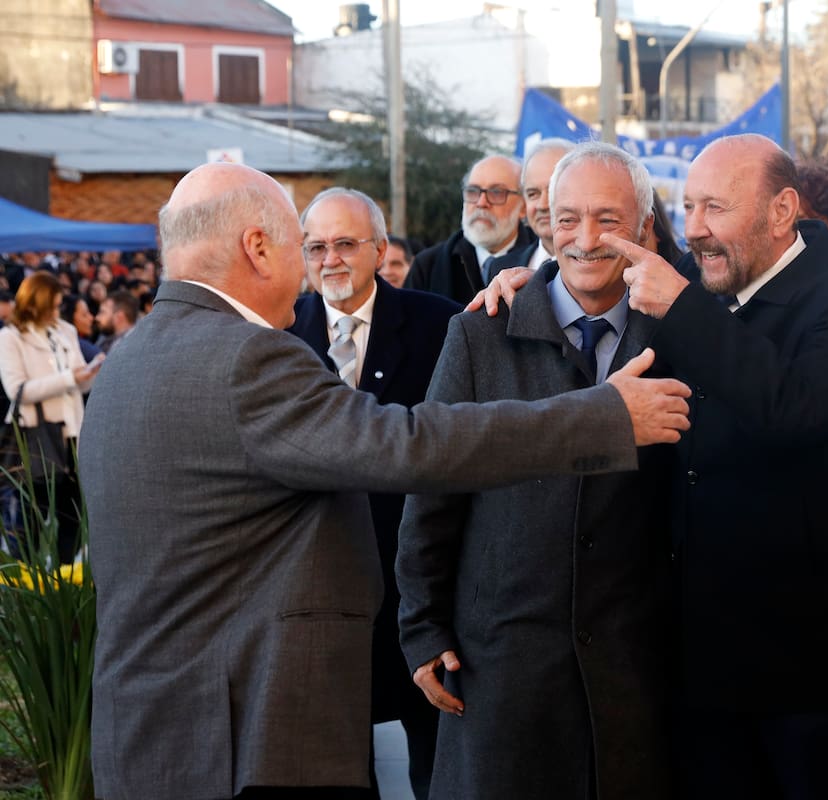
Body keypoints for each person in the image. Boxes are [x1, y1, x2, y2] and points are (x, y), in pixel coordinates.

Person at [78, 161, 691, 800]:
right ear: (257, 248)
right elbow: (408, 448)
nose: (312, 271)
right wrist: (603, 417)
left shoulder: (127, 361)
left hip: (153, 737)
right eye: (302, 247)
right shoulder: (246, 359)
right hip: (242, 739)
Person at [609, 133, 828, 798]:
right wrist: (519, 284)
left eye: (715, 207)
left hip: (810, 665)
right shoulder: (702, 273)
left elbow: (792, 408)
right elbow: (588, 282)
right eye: (687, 206)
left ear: (781, 210)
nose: (694, 229)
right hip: (703, 656)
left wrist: (683, 309)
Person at [397, 141, 676, 800]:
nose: (585, 238)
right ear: (543, 221)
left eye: (608, 219)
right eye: (567, 217)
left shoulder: (680, 336)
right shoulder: (480, 334)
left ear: (643, 227)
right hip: (502, 671)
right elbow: (434, 485)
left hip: (635, 673)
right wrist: (422, 627)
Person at [286, 187, 462, 800]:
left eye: (345, 244)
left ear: (381, 249)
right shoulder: (278, 332)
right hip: (318, 592)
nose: (330, 259)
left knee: (436, 764)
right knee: (335, 765)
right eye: (316, 247)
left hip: (418, 587)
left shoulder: (441, 324)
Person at [0, 272, 102, 564]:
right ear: (36, 303)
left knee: (73, 520)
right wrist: (70, 377)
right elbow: (17, 390)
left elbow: (79, 382)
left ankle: (66, 579)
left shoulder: (65, 330)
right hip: (36, 441)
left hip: (73, 437)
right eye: (52, 306)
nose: (57, 312)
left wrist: (92, 372)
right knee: (28, 525)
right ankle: (29, 585)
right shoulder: (10, 337)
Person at [404, 155, 534, 305]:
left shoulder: (541, 260)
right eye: (473, 191)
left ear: (523, 206)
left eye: (496, 192)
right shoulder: (428, 266)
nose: (481, 202)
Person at [484, 138, 575, 278]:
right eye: (533, 194)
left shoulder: (599, 267)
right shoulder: (499, 268)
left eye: (553, 192)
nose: (543, 205)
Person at [94, 290, 139, 354]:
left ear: (119, 317)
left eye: (102, 312)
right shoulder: (105, 338)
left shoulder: (133, 346)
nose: (97, 318)